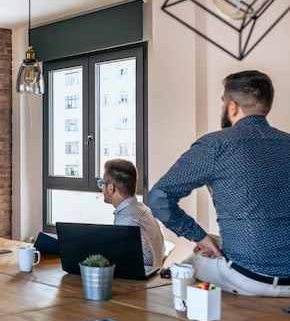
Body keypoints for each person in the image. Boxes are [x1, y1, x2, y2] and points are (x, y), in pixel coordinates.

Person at [148, 70, 290, 297]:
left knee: (191, 262)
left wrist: (200, 237)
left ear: (232, 107)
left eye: (223, 103)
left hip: (249, 277)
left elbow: (159, 197)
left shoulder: (216, 145)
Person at [99, 159, 165, 268]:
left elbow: (146, 261)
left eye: (102, 183)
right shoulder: (142, 209)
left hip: (139, 282)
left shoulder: (127, 221)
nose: (101, 188)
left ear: (111, 188)